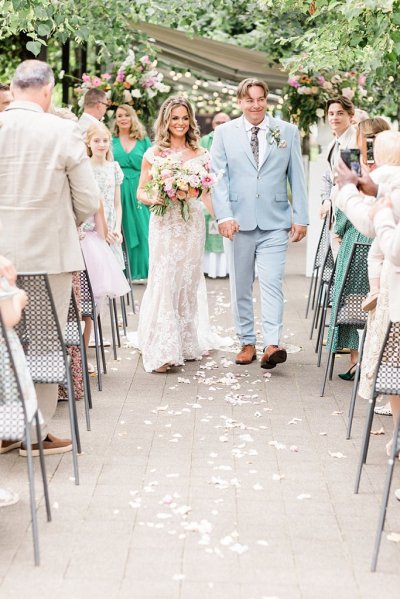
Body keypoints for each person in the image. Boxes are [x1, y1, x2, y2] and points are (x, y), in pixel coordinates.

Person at [0, 59, 100, 456]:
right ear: (47, 90)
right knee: (43, 343)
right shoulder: (63, 131)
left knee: (4, 343)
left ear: (13, 86)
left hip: (1, 257)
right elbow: (89, 199)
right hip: (50, 254)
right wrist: (63, 221)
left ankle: (5, 428)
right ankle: (33, 434)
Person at [210, 77, 308, 369]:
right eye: (249, 100)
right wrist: (224, 215)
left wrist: (300, 217)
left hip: (275, 221)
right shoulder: (224, 133)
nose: (256, 105)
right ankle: (247, 341)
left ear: (267, 100)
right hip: (238, 222)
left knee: (272, 282)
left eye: (260, 99)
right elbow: (218, 177)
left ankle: (272, 344)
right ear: (240, 102)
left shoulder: (286, 131)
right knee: (240, 284)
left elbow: (297, 178)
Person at [136, 96, 212, 373]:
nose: (179, 123)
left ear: (190, 121)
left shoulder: (202, 154)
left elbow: (207, 192)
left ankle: (184, 340)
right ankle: (162, 348)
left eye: (183, 118)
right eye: (174, 118)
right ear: (165, 122)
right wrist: (155, 196)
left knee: (187, 280)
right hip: (165, 222)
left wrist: (221, 219)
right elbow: (141, 191)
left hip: (191, 223)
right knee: (165, 277)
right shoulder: (153, 154)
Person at [326, 117, 390, 381]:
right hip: (379, 237)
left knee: (351, 296)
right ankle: (367, 359)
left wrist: (338, 229)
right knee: (366, 299)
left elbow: (343, 203)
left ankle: (357, 358)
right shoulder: (389, 162)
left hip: (358, 236)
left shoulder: (352, 159)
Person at [112, 105, 152, 281]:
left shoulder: (143, 140)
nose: (122, 118)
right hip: (118, 189)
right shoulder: (110, 140)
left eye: (126, 115)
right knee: (123, 229)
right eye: (119, 115)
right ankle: (124, 272)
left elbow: (153, 164)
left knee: (144, 228)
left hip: (139, 188)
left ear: (132, 117)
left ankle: (145, 270)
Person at [320, 97, 357, 257]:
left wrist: (341, 224)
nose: (334, 117)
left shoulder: (355, 142)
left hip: (349, 216)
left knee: (345, 263)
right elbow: (327, 177)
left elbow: (355, 179)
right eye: (331, 113)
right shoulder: (333, 143)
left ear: (351, 115)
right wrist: (326, 199)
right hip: (335, 211)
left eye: (340, 113)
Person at [87, 122, 125, 269]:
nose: (101, 144)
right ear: (89, 143)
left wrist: (116, 229)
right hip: (91, 227)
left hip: (111, 227)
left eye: (105, 140)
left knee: (112, 274)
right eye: (96, 141)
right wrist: (101, 230)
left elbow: (117, 204)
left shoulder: (114, 167)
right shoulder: (84, 167)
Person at [201, 112, 231, 279]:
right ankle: (210, 268)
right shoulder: (205, 141)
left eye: (223, 122)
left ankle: (227, 269)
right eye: (217, 122)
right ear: (213, 124)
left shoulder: (234, 138)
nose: (220, 124)